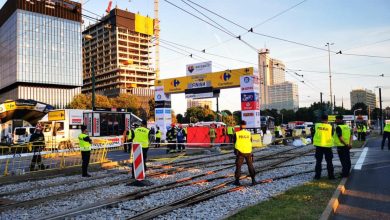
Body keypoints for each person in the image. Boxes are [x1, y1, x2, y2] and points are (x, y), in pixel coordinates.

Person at [233, 120, 256, 186]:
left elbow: (234, 143)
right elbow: (250, 141)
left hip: (240, 152)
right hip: (248, 152)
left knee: (238, 166)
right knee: (250, 166)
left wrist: (235, 151)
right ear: (245, 126)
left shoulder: (237, 133)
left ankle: (237, 181)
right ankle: (253, 180)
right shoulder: (249, 133)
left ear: (240, 125)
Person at [313, 114, 335, 180]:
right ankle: (331, 176)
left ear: (321, 119)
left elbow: (314, 133)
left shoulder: (317, 125)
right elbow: (332, 134)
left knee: (318, 162)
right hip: (328, 146)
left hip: (319, 146)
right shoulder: (330, 127)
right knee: (329, 162)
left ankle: (317, 176)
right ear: (327, 119)